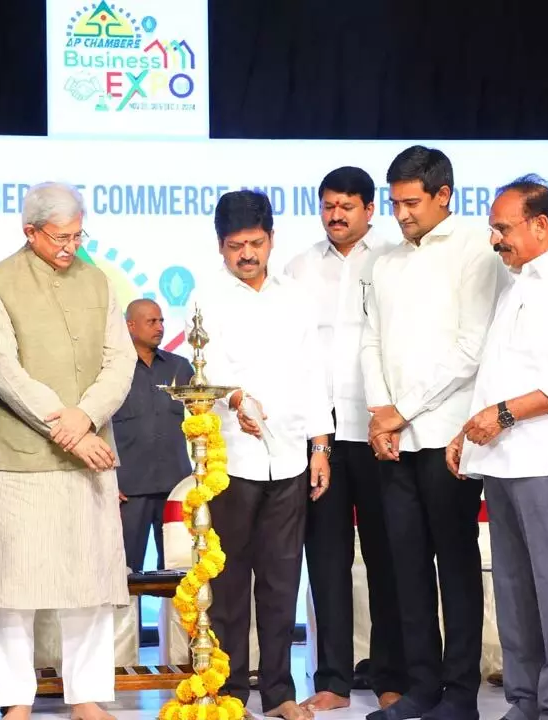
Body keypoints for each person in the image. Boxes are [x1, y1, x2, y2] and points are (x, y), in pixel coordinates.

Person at [0, 182, 134, 720]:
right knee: (10, 586)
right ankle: (15, 701)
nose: (70, 246)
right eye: (60, 237)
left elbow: (120, 361)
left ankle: (85, 696)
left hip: (90, 451)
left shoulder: (99, 281)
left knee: (88, 581)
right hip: (18, 458)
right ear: (30, 232)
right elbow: (5, 371)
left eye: (77, 235)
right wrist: (68, 429)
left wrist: (86, 418)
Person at [449, 177, 548, 720]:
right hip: (501, 460)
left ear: (540, 225)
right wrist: (466, 431)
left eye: (503, 228)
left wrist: (506, 414)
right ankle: (524, 700)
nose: (496, 240)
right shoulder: (515, 285)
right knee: (514, 591)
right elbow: (494, 376)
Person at [362, 146, 504, 720]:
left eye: (412, 202)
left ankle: (460, 692)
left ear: (444, 194)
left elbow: (471, 349)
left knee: (456, 562)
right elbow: (369, 340)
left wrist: (405, 411)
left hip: (449, 435)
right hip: (392, 439)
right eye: (394, 203)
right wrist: (380, 412)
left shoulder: (477, 249)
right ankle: (421, 687)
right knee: (407, 564)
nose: (402, 214)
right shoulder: (386, 261)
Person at [196, 189, 333, 720]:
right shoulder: (207, 298)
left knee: (282, 579)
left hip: (292, 457)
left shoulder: (295, 296)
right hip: (234, 458)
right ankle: (230, 694)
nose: (246, 254)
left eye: (255, 243)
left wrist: (320, 446)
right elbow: (208, 369)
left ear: (272, 240)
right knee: (229, 581)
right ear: (220, 247)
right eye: (235, 246)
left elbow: (312, 374)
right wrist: (235, 399)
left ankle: (278, 692)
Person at [284, 166, 405, 712]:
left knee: (388, 560)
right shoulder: (299, 268)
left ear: (370, 209)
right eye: (328, 205)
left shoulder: (396, 259)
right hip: (323, 437)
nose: (336, 215)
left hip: (382, 431)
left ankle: (390, 677)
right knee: (326, 560)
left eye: (347, 206)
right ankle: (330, 679)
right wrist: (315, 439)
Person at [113, 298, 195, 573]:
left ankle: (173, 619)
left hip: (176, 488)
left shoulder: (180, 368)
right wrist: (106, 480)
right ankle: (126, 620)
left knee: (180, 572)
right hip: (128, 490)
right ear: (130, 326)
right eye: (152, 322)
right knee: (123, 574)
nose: (160, 327)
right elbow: (97, 426)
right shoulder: (112, 371)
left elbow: (202, 418)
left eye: (161, 321)